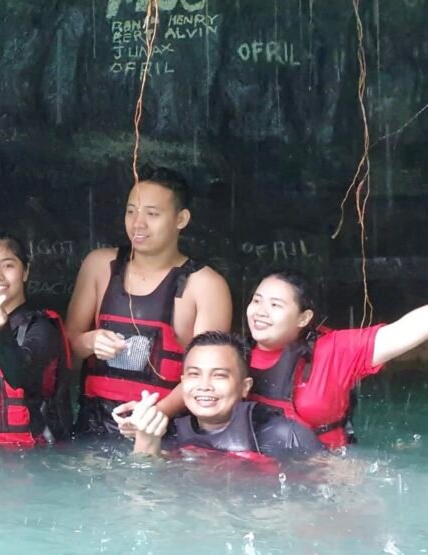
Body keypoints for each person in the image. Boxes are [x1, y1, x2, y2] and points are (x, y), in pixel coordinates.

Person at [66, 166, 232, 435]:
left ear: (181, 219)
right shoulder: (98, 266)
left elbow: (209, 380)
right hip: (91, 427)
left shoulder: (206, 286)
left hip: (166, 432)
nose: (138, 223)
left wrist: (155, 415)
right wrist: (88, 341)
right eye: (131, 211)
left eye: (152, 214)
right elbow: (64, 358)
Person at [246, 270, 428, 448]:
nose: (260, 312)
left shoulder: (333, 350)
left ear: (303, 318)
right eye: (256, 300)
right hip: (250, 468)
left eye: (275, 305)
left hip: (323, 469)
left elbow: (403, 331)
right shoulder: (232, 353)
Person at [130, 331, 322, 462]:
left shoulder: (284, 435)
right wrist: (145, 442)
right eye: (194, 375)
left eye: (219, 375)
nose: (204, 386)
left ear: (244, 387)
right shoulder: (170, 435)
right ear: (183, 381)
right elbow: (143, 497)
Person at [0, 231, 72, 446]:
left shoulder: (42, 328)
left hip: (31, 457)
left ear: (25, 271)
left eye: (8, 265)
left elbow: (19, 375)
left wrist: (1, 330)